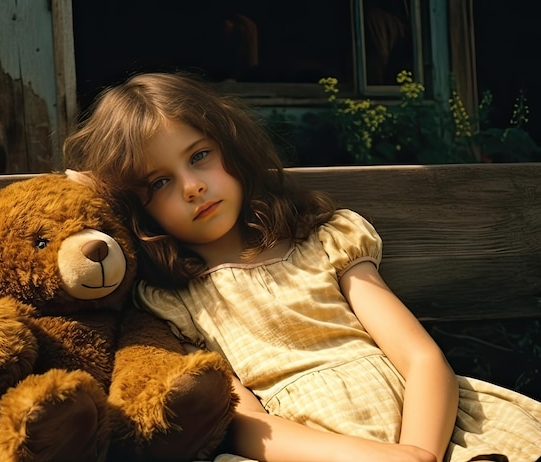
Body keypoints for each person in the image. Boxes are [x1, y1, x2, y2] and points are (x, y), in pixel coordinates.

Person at [63, 72, 541, 462]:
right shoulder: (174, 302)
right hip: (308, 448)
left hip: (427, 426)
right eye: (160, 182)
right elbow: (246, 424)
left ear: (231, 146)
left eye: (200, 156)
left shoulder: (324, 243)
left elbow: (419, 359)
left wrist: (418, 453)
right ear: (138, 208)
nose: (191, 187)